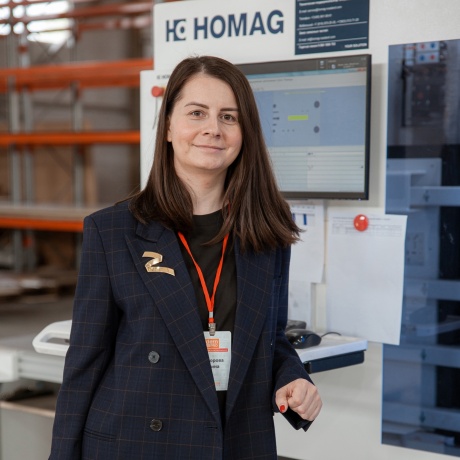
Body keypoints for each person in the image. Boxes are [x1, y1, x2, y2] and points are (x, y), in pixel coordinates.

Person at [49, 55, 322, 460]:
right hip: (138, 445)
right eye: (197, 113)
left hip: (237, 443)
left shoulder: (267, 230)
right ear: (168, 128)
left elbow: (272, 339)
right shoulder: (112, 232)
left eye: (229, 117)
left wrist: (294, 378)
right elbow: (85, 362)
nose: (213, 128)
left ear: (245, 132)